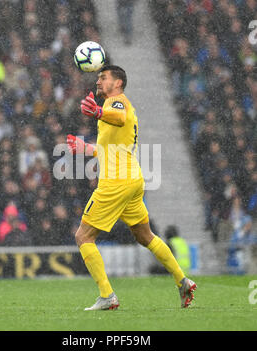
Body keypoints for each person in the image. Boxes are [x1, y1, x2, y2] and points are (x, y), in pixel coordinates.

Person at [67, 65, 197, 310]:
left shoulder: (116, 102)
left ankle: (107, 296)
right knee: (145, 236)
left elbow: (119, 116)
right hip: (132, 179)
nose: (98, 81)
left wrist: (96, 111)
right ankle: (183, 281)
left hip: (116, 181)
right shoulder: (114, 106)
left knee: (83, 236)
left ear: (117, 83)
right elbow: (110, 147)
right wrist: (85, 148)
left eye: (103, 77)